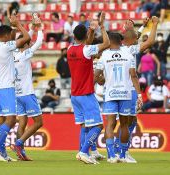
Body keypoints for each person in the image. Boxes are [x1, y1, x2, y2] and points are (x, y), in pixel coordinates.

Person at [67, 12, 109, 164]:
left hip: (74, 95)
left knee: (85, 126)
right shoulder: (86, 50)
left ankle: (81, 152)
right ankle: (84, 152)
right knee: (98, 126)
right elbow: (106, 44)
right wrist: (102, 27)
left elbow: (86, 46)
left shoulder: (69, 49)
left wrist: (90, 30)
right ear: (85, 36)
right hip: (86, 94)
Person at [95, 32, 142, 163]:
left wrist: (101, 80)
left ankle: (111, 155)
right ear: (120, 41)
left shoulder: (104, 55)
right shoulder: (128, 55)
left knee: (110, 124)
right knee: (124, 125)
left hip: (110, 94)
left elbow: (96, 75)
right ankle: (122, 155)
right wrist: (139, 94)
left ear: (110, 41)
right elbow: (134, 76)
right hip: (126, 94)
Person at [0, 14, 30, 161]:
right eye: (11, 35)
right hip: (6, 87)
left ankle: (2, 152)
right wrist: (18, 25)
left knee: (1, 121)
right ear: (5, 36)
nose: (12, 38)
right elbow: (26, 38)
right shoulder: (6, 46)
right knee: (11, 120)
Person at [118, 16, 159, 162]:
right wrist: (154, 25)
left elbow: (133, 38)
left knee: (127, 121)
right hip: (129, 89)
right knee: (129, 122)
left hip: (118, 89)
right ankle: (122, 151)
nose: (137, 37)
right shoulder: (131, 50)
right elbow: (150, 41)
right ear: (132, 39)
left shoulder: (120, 48)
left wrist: (141, 26)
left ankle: (119, 150)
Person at [10, 18, 44, 161]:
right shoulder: (25, 55)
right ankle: (19, 143)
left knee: (22, 122)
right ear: (26, 44)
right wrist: (40, 27)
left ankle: (20, 153)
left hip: (17, 94)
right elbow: (39, 42)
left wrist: (31, 27)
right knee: (38, 122)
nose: (30, 43)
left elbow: (26, 38)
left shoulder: (13, 55)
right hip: (27, 93)